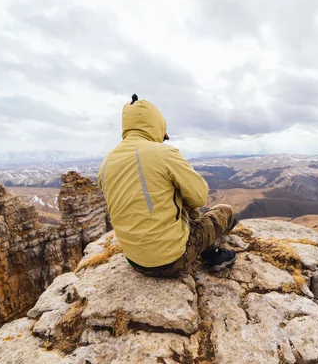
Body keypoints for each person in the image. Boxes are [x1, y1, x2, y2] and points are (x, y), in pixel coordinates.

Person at [97, 94, 237, 277]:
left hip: (135, 261)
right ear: (157, 126)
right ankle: (213, 255)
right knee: (225, 211)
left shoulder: (106, 163)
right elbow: (199, 197)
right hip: (172, 260)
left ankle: (210, 253)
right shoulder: (163, 153)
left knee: (176, 205)